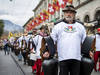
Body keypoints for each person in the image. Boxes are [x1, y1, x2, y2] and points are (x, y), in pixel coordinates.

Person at [48, 5, 87, 75]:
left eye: (71, 12)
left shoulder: (80, 27)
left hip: (76, 57)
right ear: (64, 14)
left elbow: (85, 42)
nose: (68, 14)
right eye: (66, 12)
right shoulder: (58, 26)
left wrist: (89, 51)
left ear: (74, 14)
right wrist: (47, 51)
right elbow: (51, 40)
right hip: (63, 57)